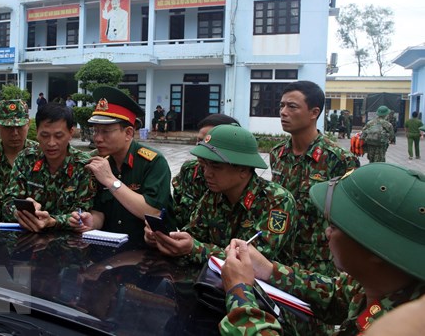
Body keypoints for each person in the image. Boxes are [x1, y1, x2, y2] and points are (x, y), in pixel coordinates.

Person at [219, 163, 425, 335]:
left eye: (335, 226)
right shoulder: (381, 281)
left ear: (378, 250)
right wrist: (269, 270)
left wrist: (239, 292)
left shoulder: (404, 326)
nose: (326, 232)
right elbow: (336, 295)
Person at [145, 124, 297, 265]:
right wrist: (166, 239)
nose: (207, 173)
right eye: (204, 165)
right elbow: (192, 235)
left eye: (216, 166)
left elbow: (253, 261)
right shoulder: (213, 195)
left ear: (243, 170)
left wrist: (194, 248)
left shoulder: (277, 201)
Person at [270, 80, 359, 276]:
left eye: (292, 106)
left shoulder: (339, 159)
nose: (283, 112)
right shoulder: (277, 154)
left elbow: (348, 217)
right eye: (282, 105)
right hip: (280, 257)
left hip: (318, 264)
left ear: (314, 112)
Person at [75, 86, 173, 243]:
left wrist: (110, 181)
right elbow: (99, 211)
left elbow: (153, 211)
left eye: (105, 131)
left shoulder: (153, 162)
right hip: (108, 248)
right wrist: (90, 222)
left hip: (145, 252)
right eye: (95, 131)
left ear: (128, 133)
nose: (98, 138)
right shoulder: (100, 162)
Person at [1, 103, 96, 232]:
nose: (51, 143)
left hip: (70, 243)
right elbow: (7, 203)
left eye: (58, 136)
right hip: (28, 241)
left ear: (70, 133)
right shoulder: (26, 159)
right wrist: (20, 213)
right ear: (37, 133)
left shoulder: (84, 165)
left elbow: (83, 213)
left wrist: (53, 221)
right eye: (45, 136)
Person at [171, 113, 239, 229]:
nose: (200, 148)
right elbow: (173, 213)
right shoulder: (189, 171)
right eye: (199, 141)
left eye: (208, 144)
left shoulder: (235, 179)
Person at [0, 99, 38, 187]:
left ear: (28, 124)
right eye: (8, 127)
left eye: (20, 126)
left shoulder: (41, 155)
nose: (15, 133)